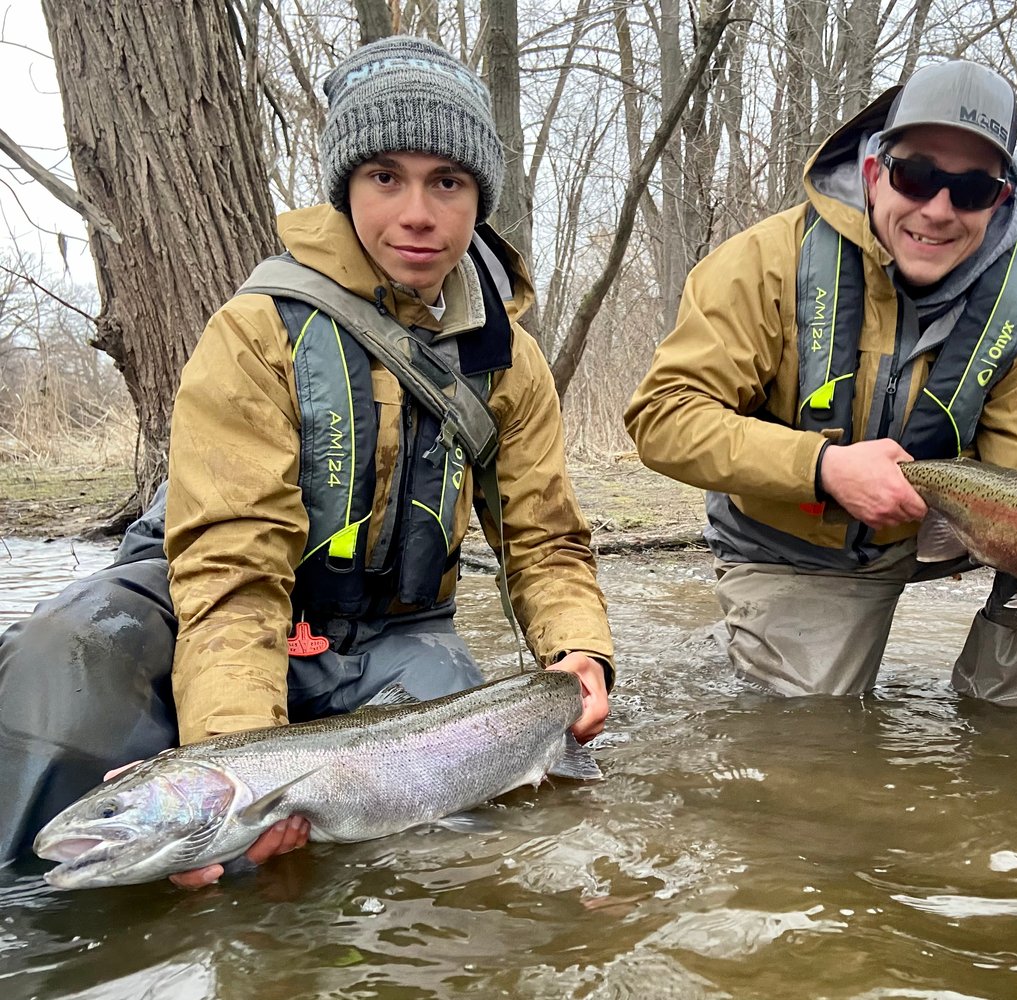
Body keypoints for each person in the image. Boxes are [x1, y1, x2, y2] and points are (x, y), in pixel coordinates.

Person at [0, 36, 614, 884]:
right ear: (345, 186)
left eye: (448, 181)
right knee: (63, 654)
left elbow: (544, 542)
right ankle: (28, 911)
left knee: (463, 811)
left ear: (479, 195)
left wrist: (580, 651)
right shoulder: (255, 331)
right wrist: (228, 764)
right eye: (384, 177)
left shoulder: (509, 361)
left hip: (386, 628)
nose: (417, 213)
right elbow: (232, 569)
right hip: (205, 601)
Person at [624, 59, 1017, 704]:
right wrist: (823, 467)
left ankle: (1010, 698)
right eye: (917, 177)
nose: (936, 210)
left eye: (968, 191)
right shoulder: (764, 264)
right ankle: (758, 628)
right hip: (799, 542)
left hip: (957, 524)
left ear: (999, 201)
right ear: (875, 174)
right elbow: (664, 417)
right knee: (806, 731)